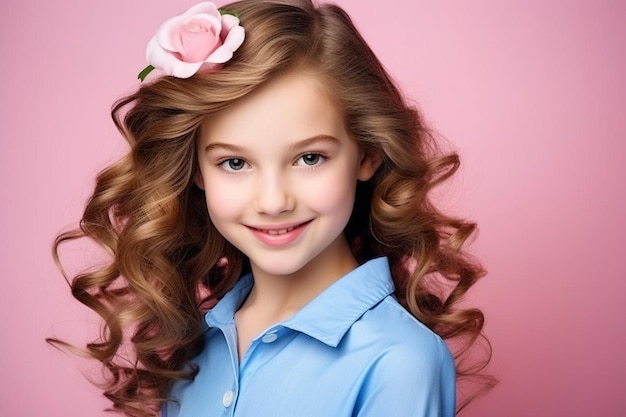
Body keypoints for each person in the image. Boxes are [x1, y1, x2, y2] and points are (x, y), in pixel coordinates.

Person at [52, 1, 492, 416]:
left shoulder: (399, 361)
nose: (274, 201)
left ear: (367, 154)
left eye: (309, 158)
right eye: (235, 163)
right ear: (197, 171)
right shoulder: (201, 346)